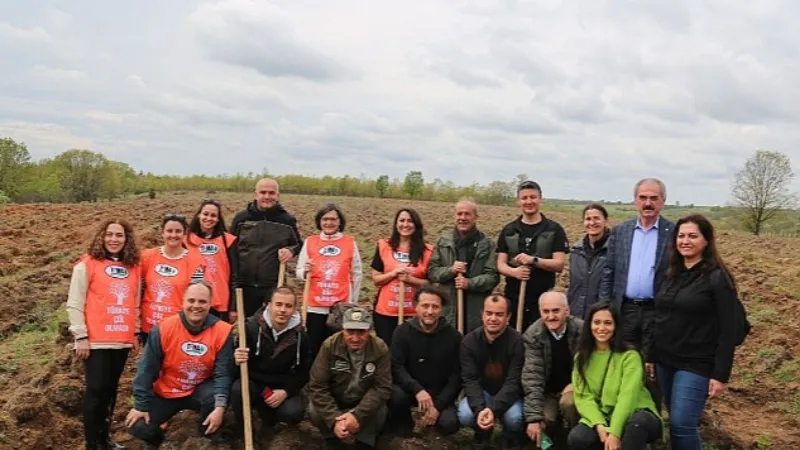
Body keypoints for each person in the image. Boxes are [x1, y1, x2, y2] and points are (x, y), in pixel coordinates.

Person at [645, 215, 737, 450]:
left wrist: (720, 374)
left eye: (693, 236)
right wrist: (652, 356)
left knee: (682, 422)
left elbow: (730, 328)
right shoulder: (669, 273)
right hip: (666, 360)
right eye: (681, 236)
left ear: (706, 241)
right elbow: (659, 316)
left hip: (696, 363)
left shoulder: (717, 278)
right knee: (674, 420)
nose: (686, 241)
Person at [125, 280, 234, 450]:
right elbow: (147, 369)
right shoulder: (164, 329)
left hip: (200, 390)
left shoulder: (222, 331)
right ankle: (158, 441)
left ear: (210, 303)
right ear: (183, 301)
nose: (196, 306)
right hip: (167, 391)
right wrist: (141, 405)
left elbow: (223, 373)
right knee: (138, 426)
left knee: (214, 399)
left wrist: (220, 407)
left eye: (202, 301)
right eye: (191, 301)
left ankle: (206, 435)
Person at [67, 219, 142, 450]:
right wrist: (80, 335)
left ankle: (104, 439)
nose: (114, 239)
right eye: (110, 234)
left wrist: (135, 331)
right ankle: (92, 443)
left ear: (126, 239)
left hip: (120, 340)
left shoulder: (133, 268)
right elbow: (75, 302)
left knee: (110, 390)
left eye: (119, 235)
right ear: (102, 236)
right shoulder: (87, 264)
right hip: (96, 340)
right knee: (96, 390)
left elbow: (135, 302)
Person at [568, 302, 661, 450]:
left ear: (616, 326)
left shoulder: (630, 356)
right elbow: (583, 397)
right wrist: (599, 425)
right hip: (604, 415)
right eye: (597, 322)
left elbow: (627, 397)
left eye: (608, 323)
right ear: (589, 325)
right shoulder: (581, 357)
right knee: (578, 438)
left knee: (636, 426)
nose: (602, 328)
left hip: (637, 413)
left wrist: (615, 433)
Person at [599, 178, 674, 348]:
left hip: (656, 311)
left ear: (663, 201)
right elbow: (609, 271)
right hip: (625, 310)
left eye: (654, 198)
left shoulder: (673, 233)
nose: (648, 203)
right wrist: (605, 306)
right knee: (624, 357)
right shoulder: (621, 231)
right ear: (635, 201)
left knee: (653, 361)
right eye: (643, 198)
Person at [231, 286, 312, 443]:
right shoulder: (250, 328)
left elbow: (303, 371)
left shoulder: (302, 336)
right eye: (278, 304)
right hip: (254, 383)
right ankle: (245, 434)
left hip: (280, 386)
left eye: (288, 306)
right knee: (238, 390)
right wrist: (236, 360)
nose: (283, 310)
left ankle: (269, 424)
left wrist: (286, 391)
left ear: (295, 309)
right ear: (269, 305)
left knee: (293, 413)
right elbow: (233, 369)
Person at [307, 306, 392, 449]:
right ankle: (332, 438)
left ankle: (364, 442)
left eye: (361, 332)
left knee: (381, 410)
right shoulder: (329, 346)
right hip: (337, 400)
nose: (355, 338)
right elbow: (317, 386)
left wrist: (357, 415)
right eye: (350, 331)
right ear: (342, 330)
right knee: (313, 409)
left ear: (369, 331)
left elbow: (382, 387)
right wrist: (335, 421)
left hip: (362, 401)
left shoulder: (379, 348)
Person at [388, 285, 462, 437]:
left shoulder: (454, 336)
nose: (429, 311)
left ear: (442, 309)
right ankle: (404, 424)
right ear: (416, 307)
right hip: (410, 391)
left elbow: (456, 376)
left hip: (438, 393)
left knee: (450, 424)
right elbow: (396, 367)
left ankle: (433, 424)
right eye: (425, 306)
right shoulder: (402, 332)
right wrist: (417, 390)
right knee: (394, 396)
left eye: (435, 306)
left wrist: (438, 405)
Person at [497, 181, 569, 332]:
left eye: (533, 197)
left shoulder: (554, 229)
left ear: (540, 198)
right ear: (519, 201)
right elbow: (500, 264)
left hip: (544, 300)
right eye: (524, 198)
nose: (529, 201)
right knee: (514, 338)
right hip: (514, 298)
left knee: (539, 339)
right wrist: (515, 272)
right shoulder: (509, 230)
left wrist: (534, 260)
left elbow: (559, 264)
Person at [458, 294, 526, 450]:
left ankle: (510, 437)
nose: (493, 318)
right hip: (483, 392)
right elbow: (470, 380)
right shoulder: (469, 342)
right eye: (489, 313)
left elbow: (514, 382)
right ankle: (482, 433)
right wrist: (480, 409)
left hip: (509, 393)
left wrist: (494, 409)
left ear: (508, 317)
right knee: (465, 415)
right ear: (482, 315)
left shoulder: (517, 342)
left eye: (499, 314)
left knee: (514, 418)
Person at [296, 203, 362, 358]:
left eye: (333, 219)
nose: (329, 223)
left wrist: (352, 303)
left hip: (339, 307)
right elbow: (299, 272)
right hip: (314, 306)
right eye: (325, 219)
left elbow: (357, 274)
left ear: (340, 222)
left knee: (337, 349)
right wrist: (305, 271)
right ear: (319, 221)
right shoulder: (310, 242)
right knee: (314, 348)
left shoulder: (349, 243)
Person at [230, 178, 302, 319]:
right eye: (263, 192)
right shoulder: (241, 219)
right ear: (255, 194)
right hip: (244, 285)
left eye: (271, 193)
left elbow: (299, 244)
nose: (267, 197)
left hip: (272, 285)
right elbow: (230, 247)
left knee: (270, 324)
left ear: (278, 195)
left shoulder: (287, 221)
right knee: (246, 327)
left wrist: (291, 251)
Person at [427, 198, 499, 332]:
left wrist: (469, 283)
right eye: (459, 214)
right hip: (449, 310)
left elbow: (492, 277)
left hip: (476, 311)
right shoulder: (444, 242)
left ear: (476, 217)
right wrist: (451, 270)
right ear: (454, 216)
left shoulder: (487, 244)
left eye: (467, 214)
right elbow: (432, 272)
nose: (463, 218)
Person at [521, 291, 582, 447]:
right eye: (545, 311)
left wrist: (576, 383)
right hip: (548, 392)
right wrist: (534, 418)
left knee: (569, 404)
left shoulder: (582, 331)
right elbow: (532, 377)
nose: (551, 316)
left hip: (577, 389)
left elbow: (589, 366)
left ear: (567, 311)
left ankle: (577, 440)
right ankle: (554, 442)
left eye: (556, 311)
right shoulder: (533, 335)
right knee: (544, 421)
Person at [371, 208, 433, 347]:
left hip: (414, 313)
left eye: (410, 221)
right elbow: (376, 279)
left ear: (416, 225)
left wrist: (410, 280)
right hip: (385, 312)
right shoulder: (383, 246)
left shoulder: (428, 251)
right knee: (387, 350)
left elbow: (431, 284)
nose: (405, 224)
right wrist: (393, 274)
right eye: (402, 220)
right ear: (396, 223)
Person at [140, 214, 205, 341]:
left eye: (178, 231)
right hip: (149, 324)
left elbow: (197, 294)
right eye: (169, 231)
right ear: (162, 233)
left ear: (184, 234)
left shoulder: (195, 261)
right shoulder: (147, 257)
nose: (173, 235)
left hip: (177, 326)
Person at [185, 198, 238, 322]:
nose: (209, 218)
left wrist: (233, 307)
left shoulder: (228, 241)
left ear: (218, 219)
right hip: (193, 301)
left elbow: (235, 276)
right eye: (206, 214)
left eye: (213, 215)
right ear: (199, 215)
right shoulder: (186, 240)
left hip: (220, 302)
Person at [567, 204, 611, 320]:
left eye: (596, 218)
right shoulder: (576, 252)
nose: (592, 223)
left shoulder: (614, 251)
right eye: (588, 219)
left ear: (605, 221)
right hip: (576, 314)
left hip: (602, 317)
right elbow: (573, 286)